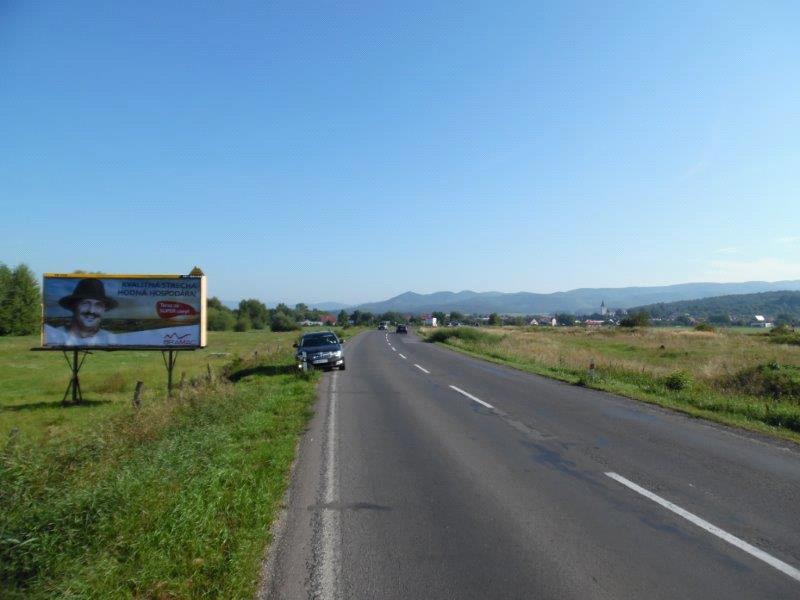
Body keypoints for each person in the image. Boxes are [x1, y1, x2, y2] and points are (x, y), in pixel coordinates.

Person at [44, 278, 118, 345]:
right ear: (73, 306)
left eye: (98, 305)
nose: (91, 310)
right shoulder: (55, 336)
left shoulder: (110, 338)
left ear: (104, 309)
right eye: (85, 303)